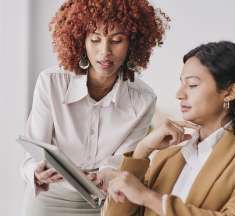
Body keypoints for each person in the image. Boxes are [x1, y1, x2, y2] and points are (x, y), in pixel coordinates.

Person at [20, 0, 170, 215]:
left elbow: (122, 160)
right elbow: (33, 150)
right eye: (95, 40)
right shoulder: (52, 82)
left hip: (102, 200)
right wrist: (37, 171)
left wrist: (106, 174)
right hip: (49, 198)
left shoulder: (143, 99)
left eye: (117, 40)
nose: (105, 51)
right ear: (81, 41)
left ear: (133, 43)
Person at [104, 41, 235, 216]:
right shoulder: (167, 157)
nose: (179, 94)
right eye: (182, 84)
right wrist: (141, 152)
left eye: (192, 85)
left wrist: (148, 198)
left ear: (229, 92)